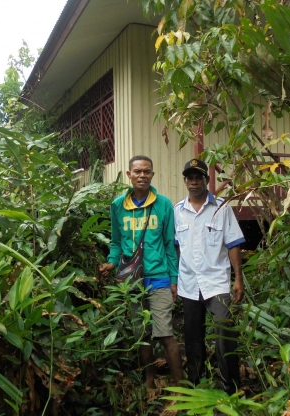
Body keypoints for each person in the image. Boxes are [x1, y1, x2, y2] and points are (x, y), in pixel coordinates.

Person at [99, 155, 183, 389]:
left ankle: (181, 387)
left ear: (152, 175)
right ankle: (149, 382)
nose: (142, 175)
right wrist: (111, 263)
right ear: (129, 175)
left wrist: (174, 279)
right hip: (132, 280)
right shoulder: (118, 206)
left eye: (146, 171)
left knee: (165, 333)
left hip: (159, 277)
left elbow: (169, 244)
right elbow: (116, 242)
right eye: (137, 171)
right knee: (142, 334)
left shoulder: (164, 204)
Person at [173, 158, 245, 394]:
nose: (194, 182)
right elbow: (175, 248)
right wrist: (174, 280)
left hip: (217, 284)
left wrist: (238, 279)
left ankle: (230, 387)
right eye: (190, 177)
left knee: (224, 334)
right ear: (185, 181)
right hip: (189, 284)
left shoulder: (222, 208)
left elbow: (233, 244)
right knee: (193, 338)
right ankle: (197, 385)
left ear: (207, 179)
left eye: (199, 177)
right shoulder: (177, 212)